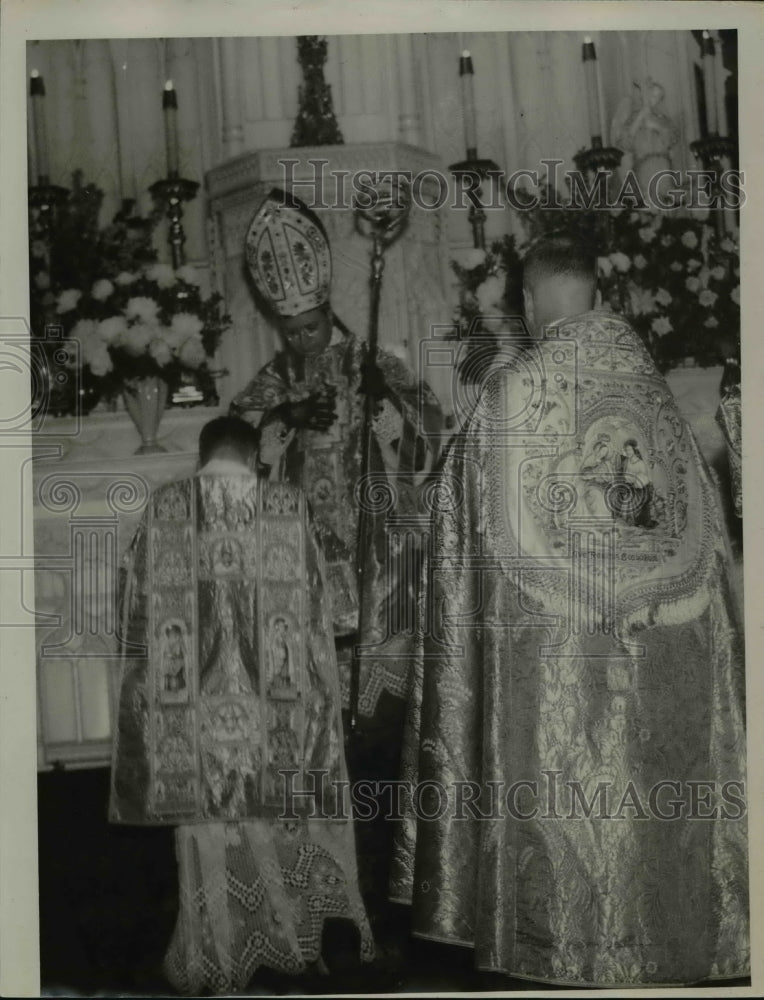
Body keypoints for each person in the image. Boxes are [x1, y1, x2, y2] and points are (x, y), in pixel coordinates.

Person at [391, 235, 749, 986]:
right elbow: (715, 554)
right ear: (597, 292)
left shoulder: (506, 400)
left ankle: (567, 954)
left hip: (553, 665)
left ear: (526, 305)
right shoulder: (669, 411)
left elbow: (454, 553)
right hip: (662, 658)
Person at [110, 415, 373, 995]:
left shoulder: (163, 509)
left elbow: (129, 615)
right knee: (280, 815)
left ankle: (220, 950)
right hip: (273, 708)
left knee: (212, 826)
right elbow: (345, 610)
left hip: (195, 716)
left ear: (200, 457)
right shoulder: (288, 503)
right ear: (254, 455)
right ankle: (292, 939)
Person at [230, 189, 443, 734]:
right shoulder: (278, 377)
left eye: (313, 328)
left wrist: (384, 401)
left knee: (382, 681)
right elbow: (237, 440)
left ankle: (380, 738)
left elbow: (426, 421)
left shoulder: (367, 360)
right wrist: (285, 417)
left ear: (329, 312)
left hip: (370, 533)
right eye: (293, 332)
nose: (304, 340)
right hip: (302, 532)